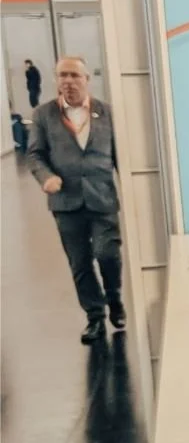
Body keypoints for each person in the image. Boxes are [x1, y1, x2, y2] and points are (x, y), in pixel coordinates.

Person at [27, 56, 125, 345]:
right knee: (80, 263)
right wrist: (45, 177)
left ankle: (115, 300)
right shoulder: (44, 115)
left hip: (102, 197)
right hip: (66, 202)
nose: (68, 81)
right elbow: (35, 154)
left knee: (108, 254)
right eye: (62, 76)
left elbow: (121, 155)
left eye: (74, 75)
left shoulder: (106, 113)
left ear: (86, 79)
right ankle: (95, 317)